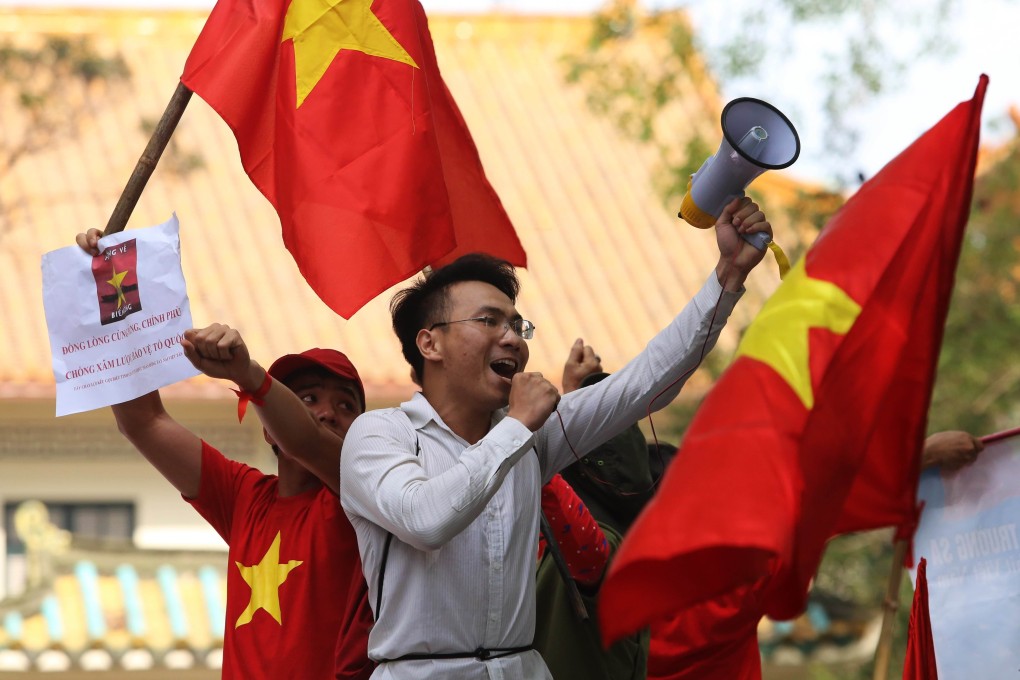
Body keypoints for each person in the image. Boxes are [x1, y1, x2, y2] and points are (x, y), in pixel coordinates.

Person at [315, 196, 772, 679]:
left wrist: (729, 274)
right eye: (488, 321)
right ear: (430, 343)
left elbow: (647, 381)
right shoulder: (381, 433)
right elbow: (425, 520)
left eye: (517, 325)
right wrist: (517, 426)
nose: (512, 337)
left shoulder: (531, 433)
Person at [78, 218, 373, 680]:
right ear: (269, 428)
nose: (328, 414)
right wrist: (111, 287)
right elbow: (143, 420)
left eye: (346, 405)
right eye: (307, 398)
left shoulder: (365, 499)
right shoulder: (244, 498)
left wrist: (248, 375)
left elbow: (310, 442)